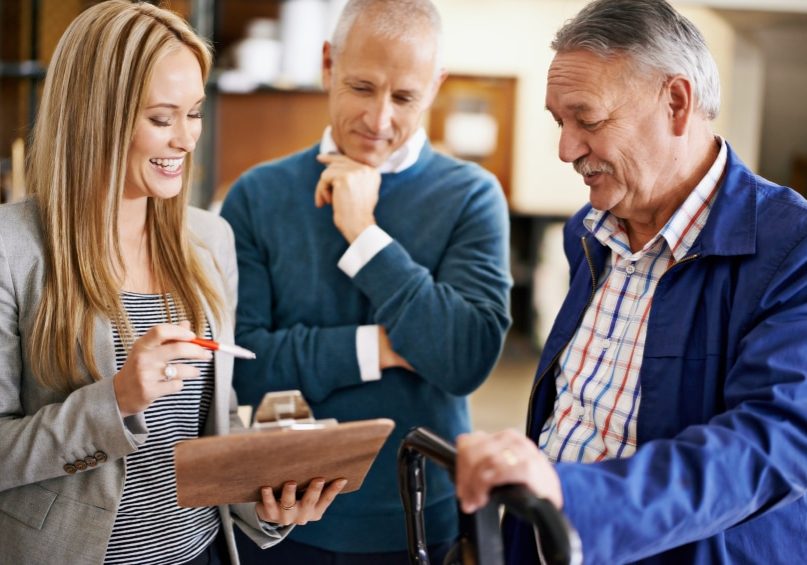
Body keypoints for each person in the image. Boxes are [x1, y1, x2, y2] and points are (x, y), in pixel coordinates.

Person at [454, 0, 807, 563]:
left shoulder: (794, 247)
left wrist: (574, 496)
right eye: (558, 122)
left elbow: (773, 445)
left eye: (587, 119)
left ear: (676, 102)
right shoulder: (588, 232)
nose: (566, 149)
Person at [0, 2, 345, 564]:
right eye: (162, 118)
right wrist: (114, 402)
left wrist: (264, 503)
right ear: (96, 117)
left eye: (195, 113)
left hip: (200, 551)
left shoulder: (210, 241)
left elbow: (212, 418)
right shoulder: (11, 249)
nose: (186, 139)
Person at [219, 0, 512, 562]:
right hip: (280, 516)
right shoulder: (257, 195)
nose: (379, 120)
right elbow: (243, 367)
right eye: (361, 87)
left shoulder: (472, 197)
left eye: (404, 97)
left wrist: (365, 234)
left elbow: (464, 358)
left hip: (419, 517)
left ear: (435, 86)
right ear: (328, 65)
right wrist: (383, 346)